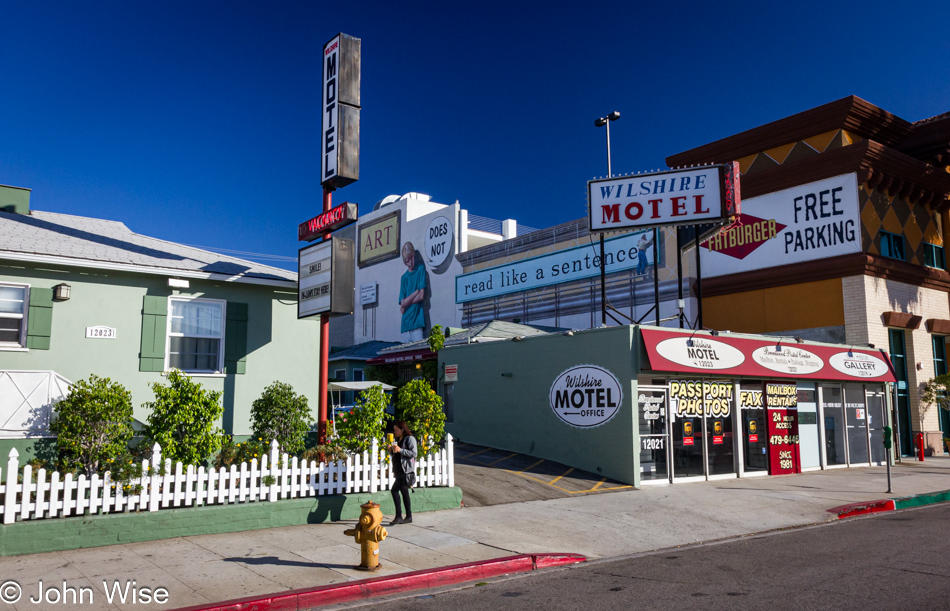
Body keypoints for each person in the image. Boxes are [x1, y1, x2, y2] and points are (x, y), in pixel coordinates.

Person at [388, 421, 417, 525]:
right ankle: (408, 516)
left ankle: (399, 516)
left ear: (403, 429)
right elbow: (397, 455)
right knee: (404, 493)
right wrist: (391, 450)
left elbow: (414, 453)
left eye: (397, 430)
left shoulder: (410, 439)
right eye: (394, 430)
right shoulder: (397, 440)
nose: (395, 432)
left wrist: (400, 450)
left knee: (394, 490)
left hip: (405, 471)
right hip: (399, 470)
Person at [398, 241, 427, 343]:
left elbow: (421, 296)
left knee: (418, 353)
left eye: (411, 258)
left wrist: (406, 302)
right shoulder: (404, 278)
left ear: (414, 255)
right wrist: (415, 293)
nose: (410, 262)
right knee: (403, 357)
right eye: (407, 261)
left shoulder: (420, 269)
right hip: (405, 325)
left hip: (417, 323)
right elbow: (403, 303)